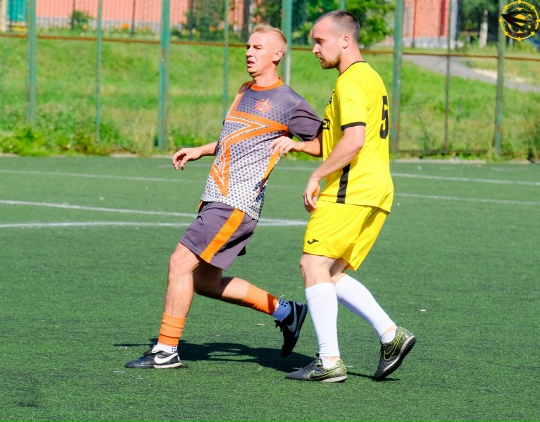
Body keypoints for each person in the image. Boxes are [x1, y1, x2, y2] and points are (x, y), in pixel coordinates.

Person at [125, 24, 323, 369]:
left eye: (258, 47)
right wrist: (200, 150)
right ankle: (285, 311)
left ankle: (166, 350)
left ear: (277, 54)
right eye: (248, 46)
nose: (249, 52)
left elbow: (324, 144)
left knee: (179, 263)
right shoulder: (244, 90)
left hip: (237, 202)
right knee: (204, 282)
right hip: (216, 197)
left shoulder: (290, 102)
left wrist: (297, 145)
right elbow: (236, 138)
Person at [275, 10, 416, 382]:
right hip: (375, 190)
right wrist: (298, 145)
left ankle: (329, 361)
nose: (314, 49)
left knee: (312, 265)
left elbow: (353, 141)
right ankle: (391, 335)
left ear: (345, 40)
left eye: (320, 41)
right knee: (331, 273)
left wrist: (316, 175)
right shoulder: (369, 78)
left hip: (350, 191)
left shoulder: (351, 81)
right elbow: (335, 141)